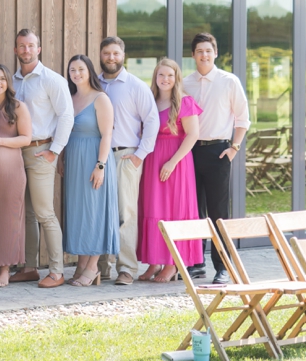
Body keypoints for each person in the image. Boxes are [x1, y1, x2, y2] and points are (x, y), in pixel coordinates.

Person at [182, 32, 249, 285]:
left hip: (219, 151)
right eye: (199, 51)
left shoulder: (229, 81)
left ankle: (223, 267)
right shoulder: (185, 83)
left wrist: (234, 148)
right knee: (193, 210)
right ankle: (197, 263)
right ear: (193, 55)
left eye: (208, 50)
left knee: (218, 212)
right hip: (190, 151)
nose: (204, 55)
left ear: (216, 53)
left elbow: (243, 119)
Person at [10, 29, 74, 288]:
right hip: (16, 153)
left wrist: (54, 150)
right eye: (22, 46)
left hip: (40, 151)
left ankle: (57, 272)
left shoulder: (52, 80)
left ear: (39, 49)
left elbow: (66, 116)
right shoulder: (11, 80)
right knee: (27, 213)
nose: (26, 50)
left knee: (45, 212)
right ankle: (29, 267)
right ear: (16, 50)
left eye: (31, 46)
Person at [97, 37, 159, 285]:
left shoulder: (135, 86)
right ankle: (101, 266)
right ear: (100, 55)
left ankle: (127, 268)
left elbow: (152, 120)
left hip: (126, 156)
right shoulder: (95, 84)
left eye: (115, 53)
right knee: (101, 211)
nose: (111, 58)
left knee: (125, 213)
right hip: (99, 156)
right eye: (106, 53)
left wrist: (139, 155)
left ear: (123, 55)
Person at [138, 58, 204, 281]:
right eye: (161, 75)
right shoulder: (150, 101)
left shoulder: (185, 102)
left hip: (176, 163)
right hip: (152, 161)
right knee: (152, 209)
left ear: (176, 78)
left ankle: (173, 264)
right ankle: (154, 262)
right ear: (155, 78)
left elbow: (193, 135)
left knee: (174, 212)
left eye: (170, 75)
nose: (165, 79)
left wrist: (172, 162)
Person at [60, 55, 119, 288]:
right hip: (74, 160)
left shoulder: (100, 98)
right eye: (72, 69)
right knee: (79, 211)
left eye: (81, 69)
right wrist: (62, 158)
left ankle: (93, 266)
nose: (76, 73)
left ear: (89, 71)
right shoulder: (70, 98)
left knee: (94, 210)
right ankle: (81, 264)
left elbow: (107, 135)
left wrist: (100, 165)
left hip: (95, 159)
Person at [0, 64, 32, 287]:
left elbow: (26, 138)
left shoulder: (19, 107)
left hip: (11, 173)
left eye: (2, 79)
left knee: (9, 219)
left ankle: (5, 268)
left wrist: (1, 141)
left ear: (8, 82)